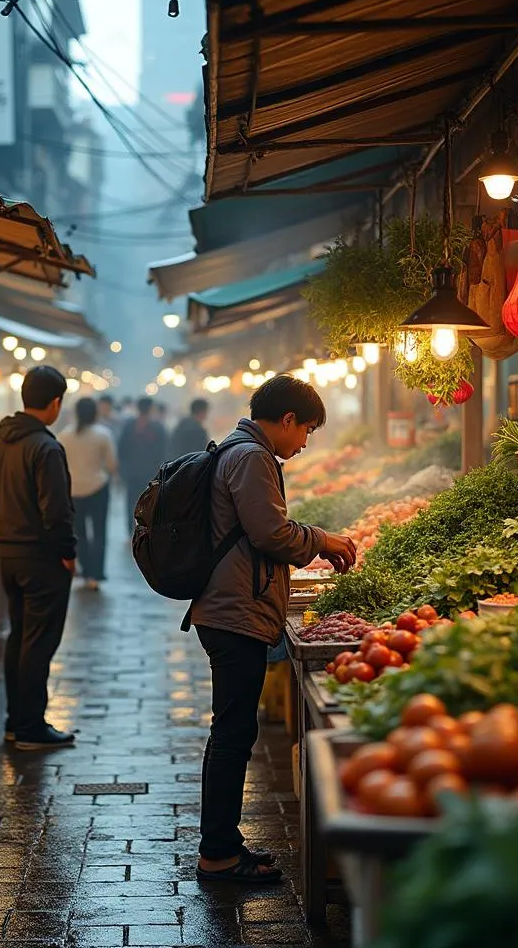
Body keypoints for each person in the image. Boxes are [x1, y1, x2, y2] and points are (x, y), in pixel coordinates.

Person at [186, 374, 357, 884]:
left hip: (229, 605)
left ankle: (225, 842)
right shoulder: (251, 457)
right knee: (233, 731)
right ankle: (217, 853)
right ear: (285, 421)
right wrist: (322, 539)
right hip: (232, 610)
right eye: (306, 430)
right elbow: (271, 532)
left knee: (234, 729)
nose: (304, 443)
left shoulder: (241, 451)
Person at [0, 365, 77, 751]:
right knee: (38, 643)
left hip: (8, 555)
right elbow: (55, 512)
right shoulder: (46, 447)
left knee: (20, 638)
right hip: (42, 560)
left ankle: (15, 722)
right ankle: (29, 727)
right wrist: (68, 552)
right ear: (55, 403)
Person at [59, 397, 117, 590]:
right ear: (95, 413)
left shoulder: (64, 436)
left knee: (79, 533)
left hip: (73, 490)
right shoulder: (103, 434)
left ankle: (84, 570)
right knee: (99, 532)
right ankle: (96, 574)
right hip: (98, 487)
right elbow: (111, 464)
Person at [118, 396, 168, 536]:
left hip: (132, 473)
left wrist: (123, 471)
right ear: (151, 408)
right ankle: (148, 532)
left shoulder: (129, 426)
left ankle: (131, 533)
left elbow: (121, 450)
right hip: (151, 473)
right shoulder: (158, 427)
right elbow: (163, 452)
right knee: (150, 503)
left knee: (131, 504)